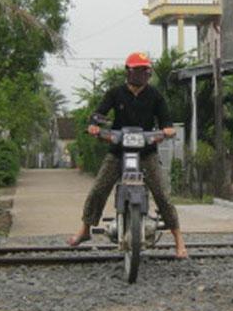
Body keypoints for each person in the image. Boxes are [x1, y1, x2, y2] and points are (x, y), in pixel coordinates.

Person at [68, 51, 189, 259]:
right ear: (128, 71)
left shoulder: (155, 96)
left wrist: (167, 130)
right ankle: (85, 229)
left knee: (161, 194)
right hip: (118, 151)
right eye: (138, 70)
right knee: (98, 189)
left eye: (145, 70)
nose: (142, 74)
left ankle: (179, 241)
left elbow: (166, 121)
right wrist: (94, 126)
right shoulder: (115, 93)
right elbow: (99, 113)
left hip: (146, 152)